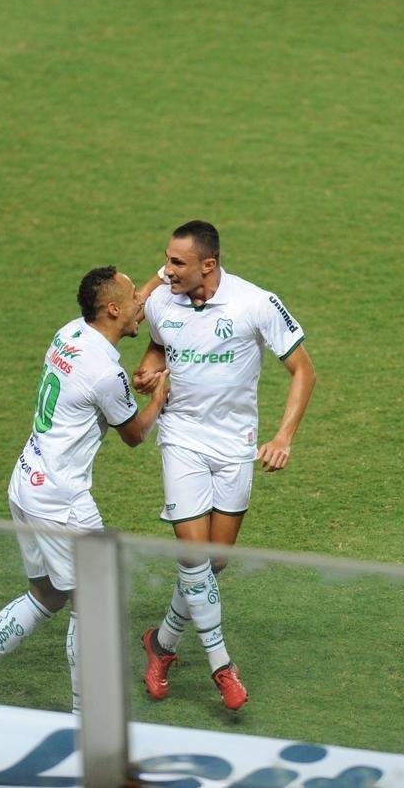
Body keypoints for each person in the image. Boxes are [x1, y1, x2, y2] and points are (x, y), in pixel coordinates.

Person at [0, 266, 168, 712]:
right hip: (62, 500)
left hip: (26, 481)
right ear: (113, 309)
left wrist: (159, 275)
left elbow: (124, 312)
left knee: (46, 595)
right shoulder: (105, 372)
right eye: (133, 296)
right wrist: (159, 397)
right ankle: (85, 717)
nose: (142, 301)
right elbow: (135, 434)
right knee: (93, 602)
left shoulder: (70, 333)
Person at [132, 220, 316, 710]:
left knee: (212, 563)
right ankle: (222, 665)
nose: (166, 270)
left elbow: (304, 371)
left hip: (237, 446)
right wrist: (150, 370)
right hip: (182, 440)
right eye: (166, 260)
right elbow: (157, 341)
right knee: (195, 558)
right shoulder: (162, 301)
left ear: (208, 266)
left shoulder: (254, 303)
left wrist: (284, 437)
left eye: (176, 262)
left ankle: (161, 645)